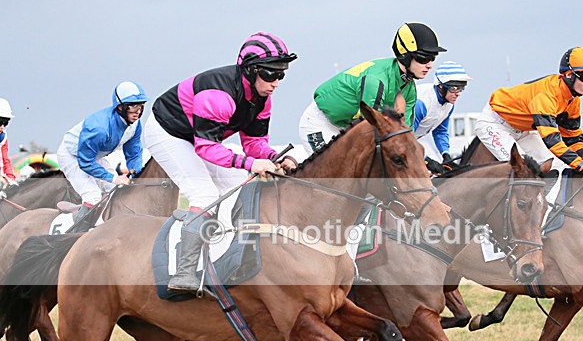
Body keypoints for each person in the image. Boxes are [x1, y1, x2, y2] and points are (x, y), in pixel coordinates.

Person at [144, 31, 298, 294]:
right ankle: (185, 271)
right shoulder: (218, 95)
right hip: (168, 132)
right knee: (203, 193)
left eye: (281, 74)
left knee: (240, 186)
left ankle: (224, 252)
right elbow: (206, 148)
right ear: (250, 71)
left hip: (201, 136)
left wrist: (274, 157)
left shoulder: (263, 99)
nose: (276, 82)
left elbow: (254, 144)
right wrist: (251, 164)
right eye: (271, 74)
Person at [474, 46, 583, 205]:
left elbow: (573, 137)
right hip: (495, 124)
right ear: (569, 75)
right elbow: (553, 142)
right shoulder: (547, 95)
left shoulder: (573, 99)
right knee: (524, 171)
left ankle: (545, 213)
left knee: (558, 164)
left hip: (525, 130)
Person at [298, 22, 446, 153]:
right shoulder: (376, 80)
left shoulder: (409, 88)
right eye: (424, 58)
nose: (430, 65)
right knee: (337, 180)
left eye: (432, 58)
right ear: (405, 55)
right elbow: (367, 128)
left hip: (347, 128)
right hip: (320, 123)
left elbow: (405, 131)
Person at [56, 81, 148, 226]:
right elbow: (85, 163)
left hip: (95, 157)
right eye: (133, 106)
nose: (138, 111)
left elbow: (134, 154)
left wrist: (135, 174)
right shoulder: (99, 128)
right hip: (73, 157)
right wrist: (114, 178)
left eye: (141, 105)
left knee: (118, 190)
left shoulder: (135, 125)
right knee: (92, 196)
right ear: (120, 107)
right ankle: (75, 239)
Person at [414, 61, 472, 174]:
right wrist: (426, 160)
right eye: (454, 88)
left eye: (461, 88)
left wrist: (446, 154)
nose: (458, 93)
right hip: (396, 139)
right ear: (441, 86)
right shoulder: (421, 104)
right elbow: (406, 138)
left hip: (414, 140)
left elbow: (440, 131)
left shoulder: (449, 105)